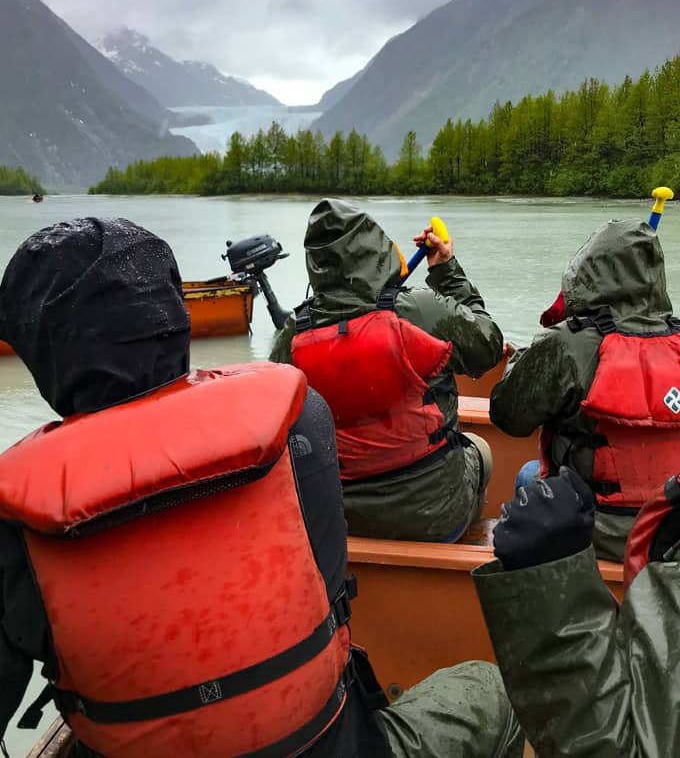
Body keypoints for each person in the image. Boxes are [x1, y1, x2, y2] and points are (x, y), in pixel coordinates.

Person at [0, 217, 522, 758]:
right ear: (175, 318)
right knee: (493, 690)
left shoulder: (17, 513)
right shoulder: (298, 421)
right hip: (330, 744)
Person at [270, 198, 504, 543]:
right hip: (436, 515)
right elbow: (488, 346)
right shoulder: (418, 309)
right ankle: (459, 558)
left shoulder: (294, 332)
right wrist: (445, 270)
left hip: (341, 517)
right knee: (480, 449)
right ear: (376, 249)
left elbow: (277, 419)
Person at [490, 218, 680, 562]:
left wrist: (528, 355)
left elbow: (509, 418)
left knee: (528, 475)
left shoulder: (567, 342)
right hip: (673, 531)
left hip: (595, 529)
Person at [473, 464, 680, 756]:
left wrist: (548, 569)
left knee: (484, 684)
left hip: (604, 525)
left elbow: (515, 421)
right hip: (630, 532)